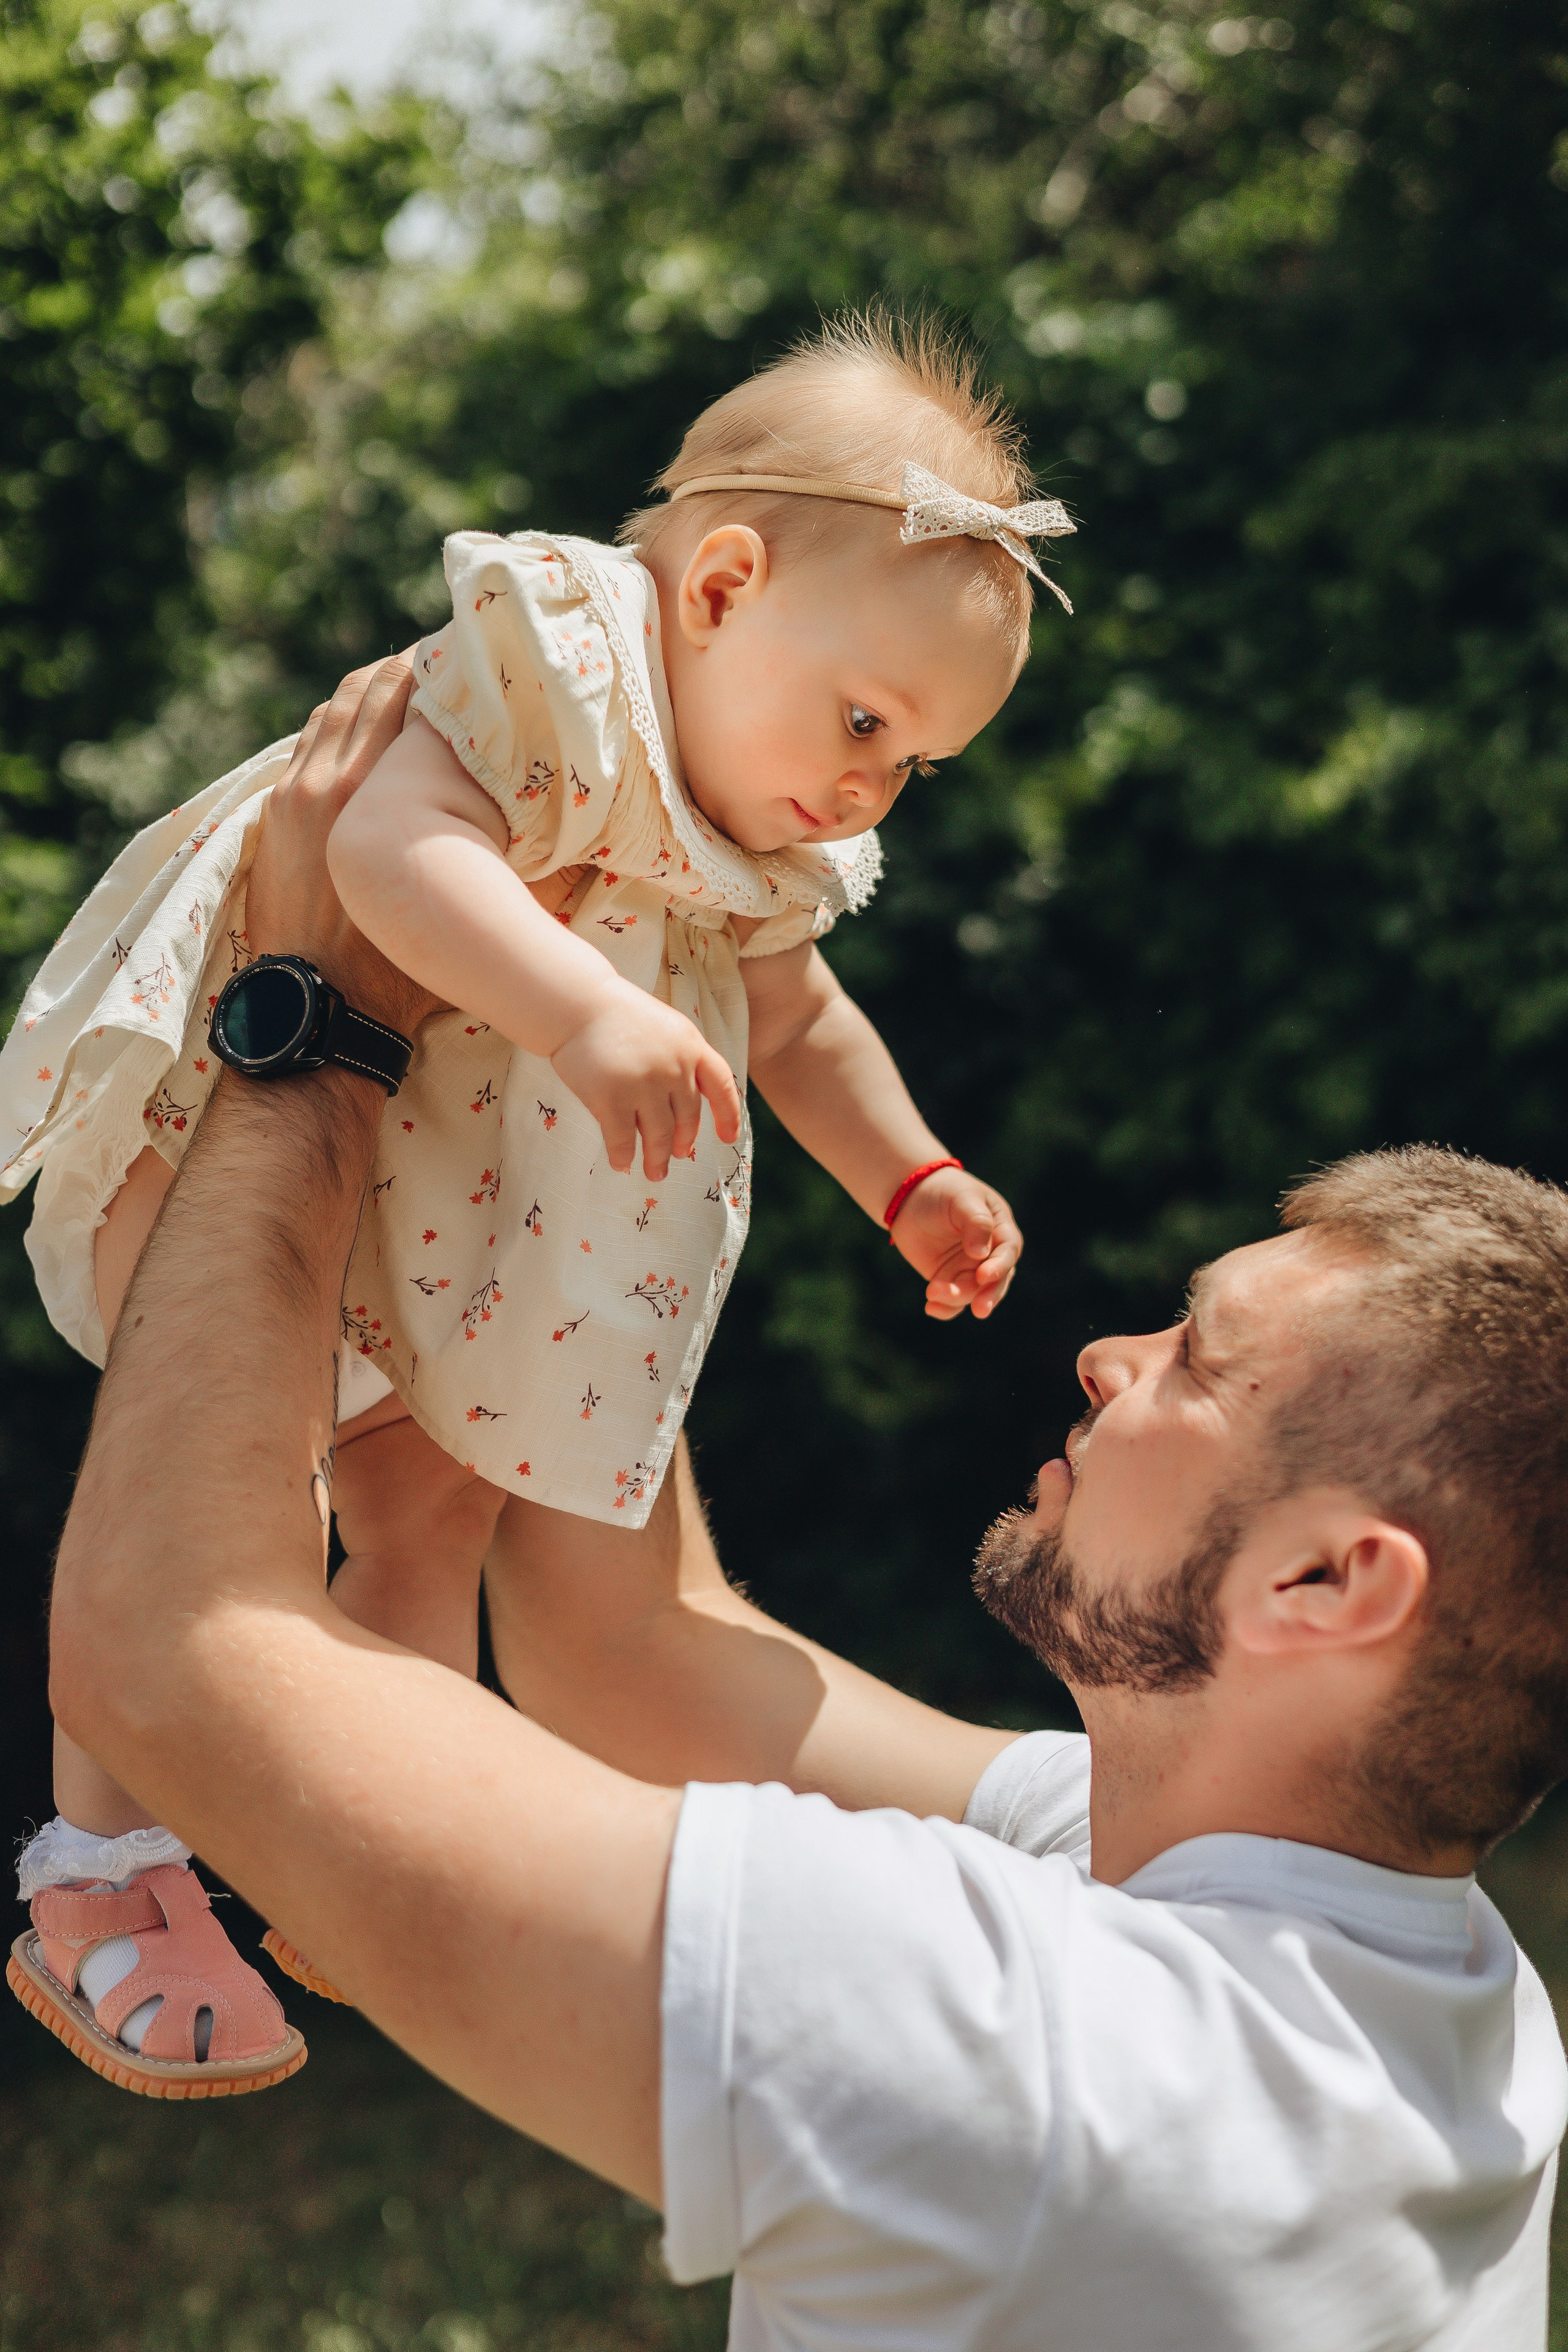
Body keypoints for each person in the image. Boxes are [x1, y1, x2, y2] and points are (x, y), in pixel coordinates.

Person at [17, 658, 1568, 2350]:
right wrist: (585, 987)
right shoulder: (1410, 1978)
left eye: (1200, 1361)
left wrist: (310, 1012)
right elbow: (642, 1654)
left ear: (1332, 1583)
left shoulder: (1039, 2064)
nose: (1113, 1357)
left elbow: (166, 1655)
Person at [1, 311, 1071, 2077]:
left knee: (434, 1513)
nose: (875, 782)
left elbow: (805, 1020)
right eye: (868, 717)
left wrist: (916, 1175)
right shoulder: (558, 666)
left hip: (443, 1213)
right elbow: (383, 852)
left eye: (917, 764)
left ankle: (364, 1835)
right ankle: (103, 1875)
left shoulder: (760, 828)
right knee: (221, 1493)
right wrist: (586, 1008)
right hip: (249, 1131)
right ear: (721, 584)